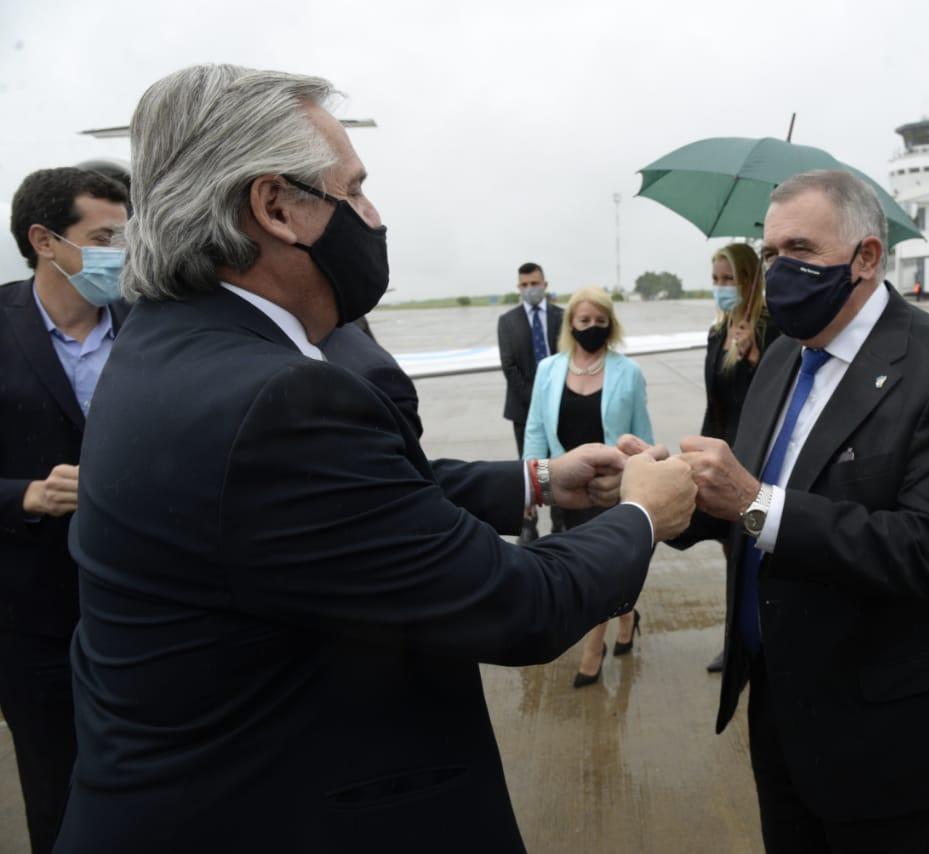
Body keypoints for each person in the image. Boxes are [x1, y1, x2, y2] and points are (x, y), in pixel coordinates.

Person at [55, 65, 697, 854]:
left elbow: (358, 505)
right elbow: (518, 604)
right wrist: (642, 514)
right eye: (353, 192)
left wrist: (535, 480)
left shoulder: (173, 345)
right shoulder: (274, 400)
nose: (373, 216)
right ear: (276, 206)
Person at [669, 169, 929, 852]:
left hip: (883, 728)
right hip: (778, 705)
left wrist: (755, 503)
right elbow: (740, 497)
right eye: (769, 254)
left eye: (800, 250)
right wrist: (662, 488)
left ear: (867, 257)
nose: (778, 270)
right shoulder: (784, 358)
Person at [0, 167, 129, 854]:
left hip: (149, 612)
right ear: (45, 241)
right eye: (104, 237)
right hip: (35, 625)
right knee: (59, 802)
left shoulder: (155, 327)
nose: (121, 255)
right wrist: (25, 495)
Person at [523, 286, 654, 687]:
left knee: (600, 571)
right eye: (584, 321)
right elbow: (535, 430)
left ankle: (592, 650)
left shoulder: (627, 372)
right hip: (567, 488)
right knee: (578, 565)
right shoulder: (549, 370)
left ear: (610, 325)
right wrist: (530, 486)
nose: (592, 328)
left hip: (611, 489)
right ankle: (628, 618)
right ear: (571, 324)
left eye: (600, 321)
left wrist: (642, 481)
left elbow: (643, 435)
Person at [702, 243, 779, 674]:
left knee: (759, 552)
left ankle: (765, 635)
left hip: (758, 460)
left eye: (728, 280)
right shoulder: (718, 331)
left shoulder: (771, 330)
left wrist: (752, 355)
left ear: (749, 280)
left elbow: (773, 397)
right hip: (723, 455)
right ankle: (737, 640)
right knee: (732, 554)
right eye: (715, 280)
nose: (721, 288)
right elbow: (715, 403)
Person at [498, 262, 564, 544]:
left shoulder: (562, 317)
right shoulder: (508, 321)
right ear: (518, 288)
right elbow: (509, 367)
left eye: (534, 284)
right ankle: (529, 522)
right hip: (524, 409)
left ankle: (561, 520)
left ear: (545, 284)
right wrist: (538, 402)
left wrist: (555, 399)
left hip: (562, 406)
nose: (530, 289)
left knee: (559, 464)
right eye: (524, 285)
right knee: (533, 468)